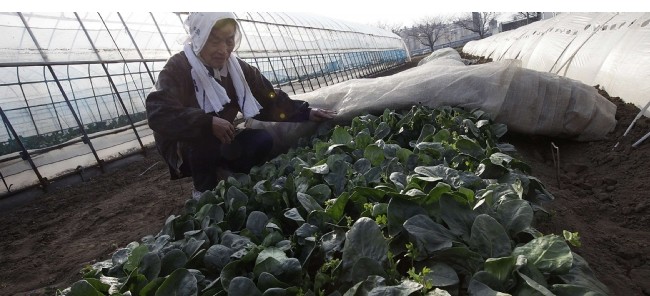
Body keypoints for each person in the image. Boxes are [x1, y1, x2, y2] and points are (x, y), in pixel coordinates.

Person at [146, 12, 336, 196]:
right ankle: (203, 190)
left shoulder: (237, 68)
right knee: (205, 139)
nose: (223, 49)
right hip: (186, 143)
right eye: (215, 41)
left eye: (229, 40)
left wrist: (305, 112)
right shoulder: (177, 67)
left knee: (262, 140)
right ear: (199, 38)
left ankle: (224, 170)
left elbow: (267, 98)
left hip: (223, 136)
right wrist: (206, 122)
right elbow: (158, 112)